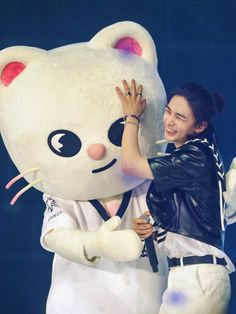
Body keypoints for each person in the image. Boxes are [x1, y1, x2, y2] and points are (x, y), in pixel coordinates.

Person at [115, 79, 234, 314]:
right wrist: (152, 226)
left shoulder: (196, 156)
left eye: (180, 117)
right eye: (168, 111)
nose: (169, 121)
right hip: (182, 277)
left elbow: (129, 165)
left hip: (200, 277)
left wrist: (131, 117)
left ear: (199, 126)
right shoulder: (195, 152)